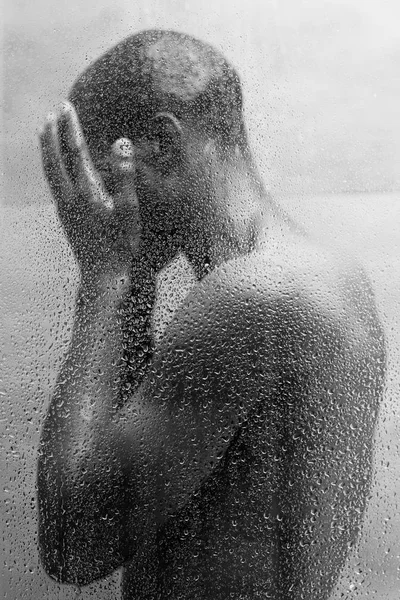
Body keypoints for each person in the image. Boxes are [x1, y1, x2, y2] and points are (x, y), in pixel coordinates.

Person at [37, 30, 385, 600]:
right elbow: (132, 473)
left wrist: (103, 281)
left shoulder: (256, 300)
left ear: (163, 144)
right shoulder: (303, 274)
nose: (96, 204)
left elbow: (74, 544)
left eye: (101, 176)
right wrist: (136, 282)